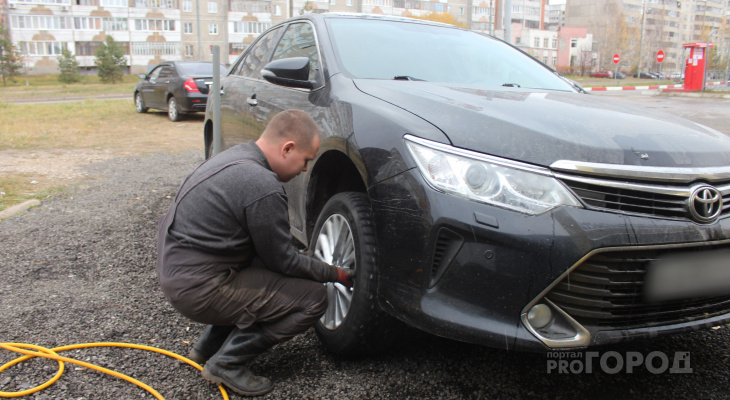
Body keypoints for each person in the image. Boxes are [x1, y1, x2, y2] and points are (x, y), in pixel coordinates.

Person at [156, 109, 353, 397]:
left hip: (177, 271)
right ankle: (227, 363)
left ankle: (206, 348)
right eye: (306, 160)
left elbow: (271, 254)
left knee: (262, 271)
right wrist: (333, 273)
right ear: (287, 148)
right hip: (198, 288)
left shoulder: (234, 157)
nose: (304, 169)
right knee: (313, 298)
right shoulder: (261, 185)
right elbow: (282, 261)